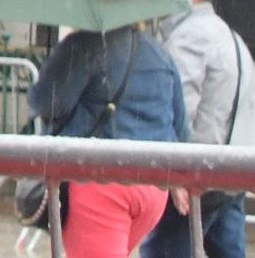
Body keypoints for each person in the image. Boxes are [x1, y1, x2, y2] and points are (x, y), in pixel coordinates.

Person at [29, 21, 190, 258]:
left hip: (100, 181)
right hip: (153, 188)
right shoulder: (160, 53)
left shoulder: (84, 45)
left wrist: (56, 63)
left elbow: (47, 103)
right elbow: (179, 125)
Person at [148, 0, 255, 258]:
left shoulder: (190, 36)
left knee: (164, 250)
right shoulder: (230, 35)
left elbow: (178, 110)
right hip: (234, 169)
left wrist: (174, 172)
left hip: (199, 172)